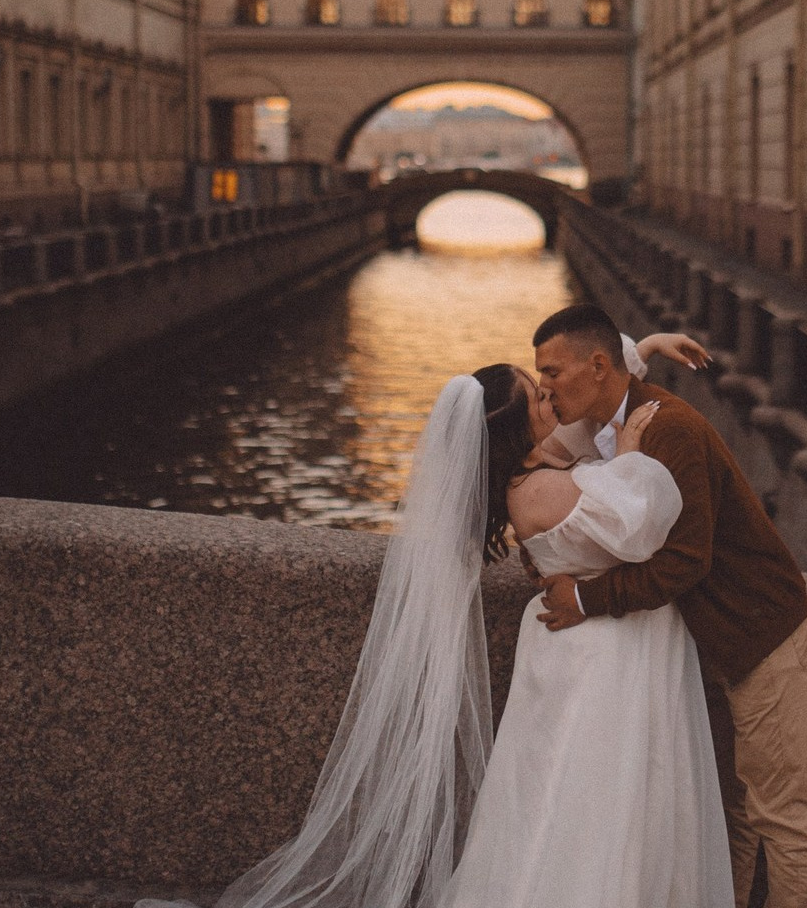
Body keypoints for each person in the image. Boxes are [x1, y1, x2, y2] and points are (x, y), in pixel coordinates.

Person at [140, 340, 733, 908]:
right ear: (514, 430)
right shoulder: (545, 489)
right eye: (537, 397)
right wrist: (629, 451)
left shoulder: (539, 469)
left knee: (558, 795)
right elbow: (644, 519)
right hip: (598, 656)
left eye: (545, 386)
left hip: (577, 650)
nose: (552, 397)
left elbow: (589, 388)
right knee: (593, 801)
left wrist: (640, 349)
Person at [532, 303, 807, 908]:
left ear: (597, 367)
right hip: (704, 636)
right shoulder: (601, 422)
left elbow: (688, 559)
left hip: (758, 630)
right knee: (732, 809)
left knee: (783, 814)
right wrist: (653, 343)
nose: (546, 387)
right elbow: (545, 449)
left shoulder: (670, 427)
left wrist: (587, 597)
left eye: (552, 373)